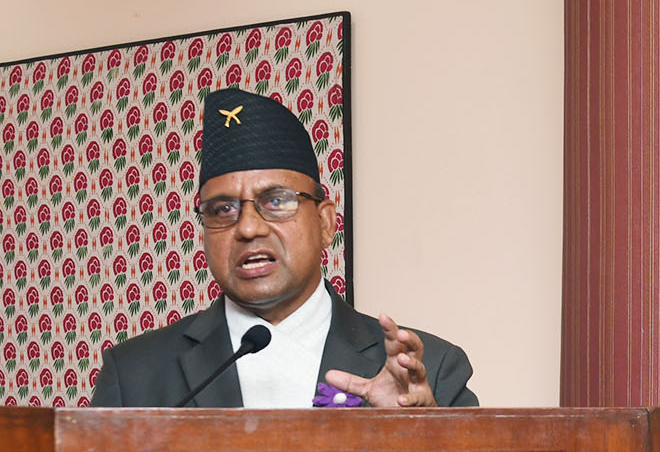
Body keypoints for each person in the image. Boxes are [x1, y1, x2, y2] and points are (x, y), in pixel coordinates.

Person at [90, 87, 476, 408]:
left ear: (325, 223)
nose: (248, 228)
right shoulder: (135, 375)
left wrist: (422, 434)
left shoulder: (432, 370)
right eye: (222, 209)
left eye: (276, 201)